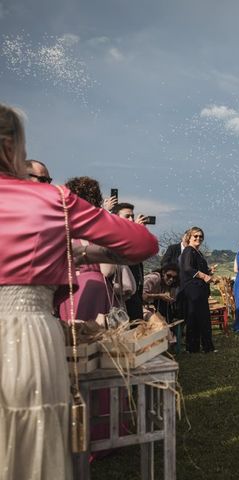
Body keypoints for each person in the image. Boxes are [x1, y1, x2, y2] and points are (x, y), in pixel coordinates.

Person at [0, 103, 158, 479]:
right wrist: (77, 245)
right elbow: (142, 243)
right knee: (30, 453)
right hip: (24, 337)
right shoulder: (52, 200)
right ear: (11, 148)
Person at [58, 176, 114, 323]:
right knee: (98, 338)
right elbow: (107, 270)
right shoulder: (100, 229)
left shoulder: (61, 228)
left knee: (73, 338)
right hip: (96, 288)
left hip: (69, 290)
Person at [180, 226, 216, 353]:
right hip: (193, 290)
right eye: (195, 236)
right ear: (189, 237)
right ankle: (196, 347)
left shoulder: (197, 252)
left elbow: (196, 268)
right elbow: (188, 269)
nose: (198, 238)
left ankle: (200, 347)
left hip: (199, 290)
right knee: (196, 318)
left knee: (200, 318)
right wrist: (205, 276)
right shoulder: (189, 250)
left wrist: (209, 271)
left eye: (200, 236)